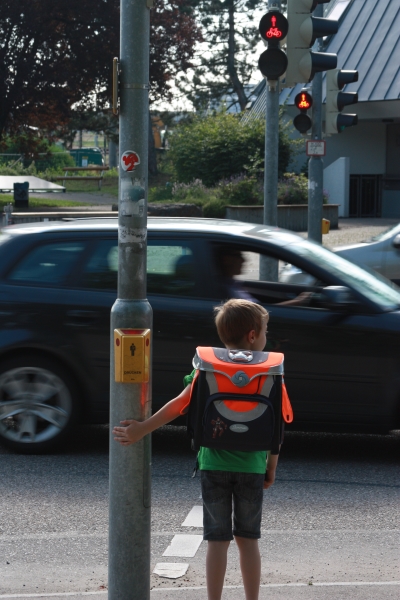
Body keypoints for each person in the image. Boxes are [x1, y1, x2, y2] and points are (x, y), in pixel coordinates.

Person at [113, 299, 279, 600]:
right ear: (253, 335)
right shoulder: (269, 372)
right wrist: (270, 469)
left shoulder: (208, 368)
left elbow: (179, 405)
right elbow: (277, 426)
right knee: (248, 540)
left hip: (212, 464)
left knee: (217, 541)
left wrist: (141, 429)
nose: (267, 337)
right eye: (266, 331)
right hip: (252, 467)